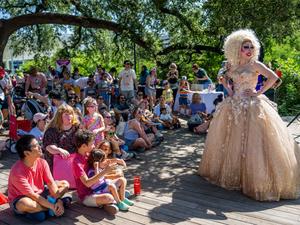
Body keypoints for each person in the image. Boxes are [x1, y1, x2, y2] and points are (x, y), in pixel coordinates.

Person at [198, 29, 300, 201]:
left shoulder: (255, 65)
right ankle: (237, 176)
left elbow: (273, 78)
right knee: (232, 142)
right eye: (245, 46)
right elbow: (230, 91)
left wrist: (258, 92)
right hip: (233, 105)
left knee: (255, 143)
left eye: (251, 46)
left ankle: (258, 180)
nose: (249, 49)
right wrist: (225, 84)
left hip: (252, 106)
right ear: (237, 48)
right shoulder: (231, 66)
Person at [8, 135, 70, 221]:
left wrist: (58, 200)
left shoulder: (42, 162)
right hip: (22, 198)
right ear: (27, 153)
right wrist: (53, 206)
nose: (40, 147)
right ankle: (53, 207)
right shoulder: (17, 171)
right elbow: (33, 195)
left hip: (41, 193)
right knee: (25, 204)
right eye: (36, 145)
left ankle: (50, 207)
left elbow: (51, 183)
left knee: (65, 184)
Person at [72, 129, 119, 215]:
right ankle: (108, 202)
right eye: (91, 144)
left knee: (120, 180)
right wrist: (105, 171)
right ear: (83, 146)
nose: (94, 146)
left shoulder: (88, 154)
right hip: (87, 195)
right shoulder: (77, 163)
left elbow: (101, 163)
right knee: (108, 197)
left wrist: (115, 161)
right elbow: (87, 183)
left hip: (99, 188)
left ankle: (107, 203)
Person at [43, 104, 80, 170]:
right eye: (66, 114)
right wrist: (59, 150)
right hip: (56, 166)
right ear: (60, 116)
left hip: (74, 163)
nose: (69, 116)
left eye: (71, 114)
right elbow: (49, 147)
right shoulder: (52, 130)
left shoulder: (77, 128)